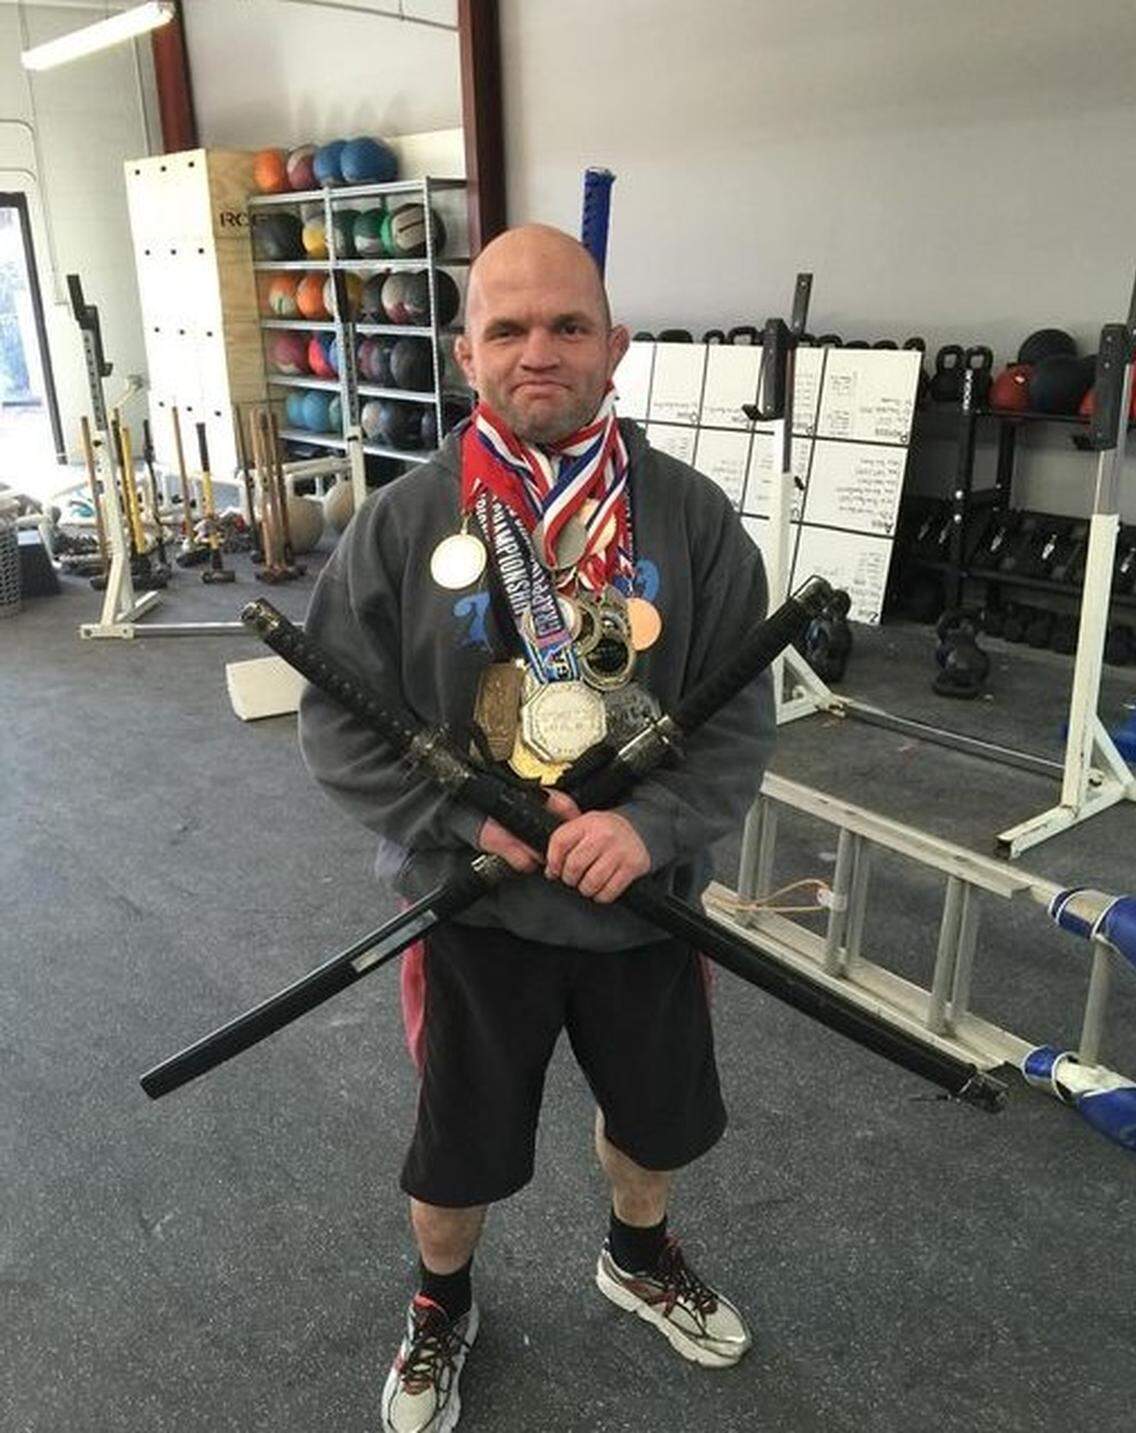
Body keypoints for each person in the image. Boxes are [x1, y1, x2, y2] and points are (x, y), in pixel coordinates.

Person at [299, 224, 775, 1433]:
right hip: (474, 909)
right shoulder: (406, 521)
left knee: (654, 1119)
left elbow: (736, 718)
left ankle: (638, 1255)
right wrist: (457, 818)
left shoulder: (691, 516)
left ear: (616, 345)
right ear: (466, 354)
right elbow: (337, 716)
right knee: (456, 1146)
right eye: (507, 328)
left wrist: (654, 825)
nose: (539, 350)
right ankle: (441, 1301)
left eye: (569, 325)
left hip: (644, 905)